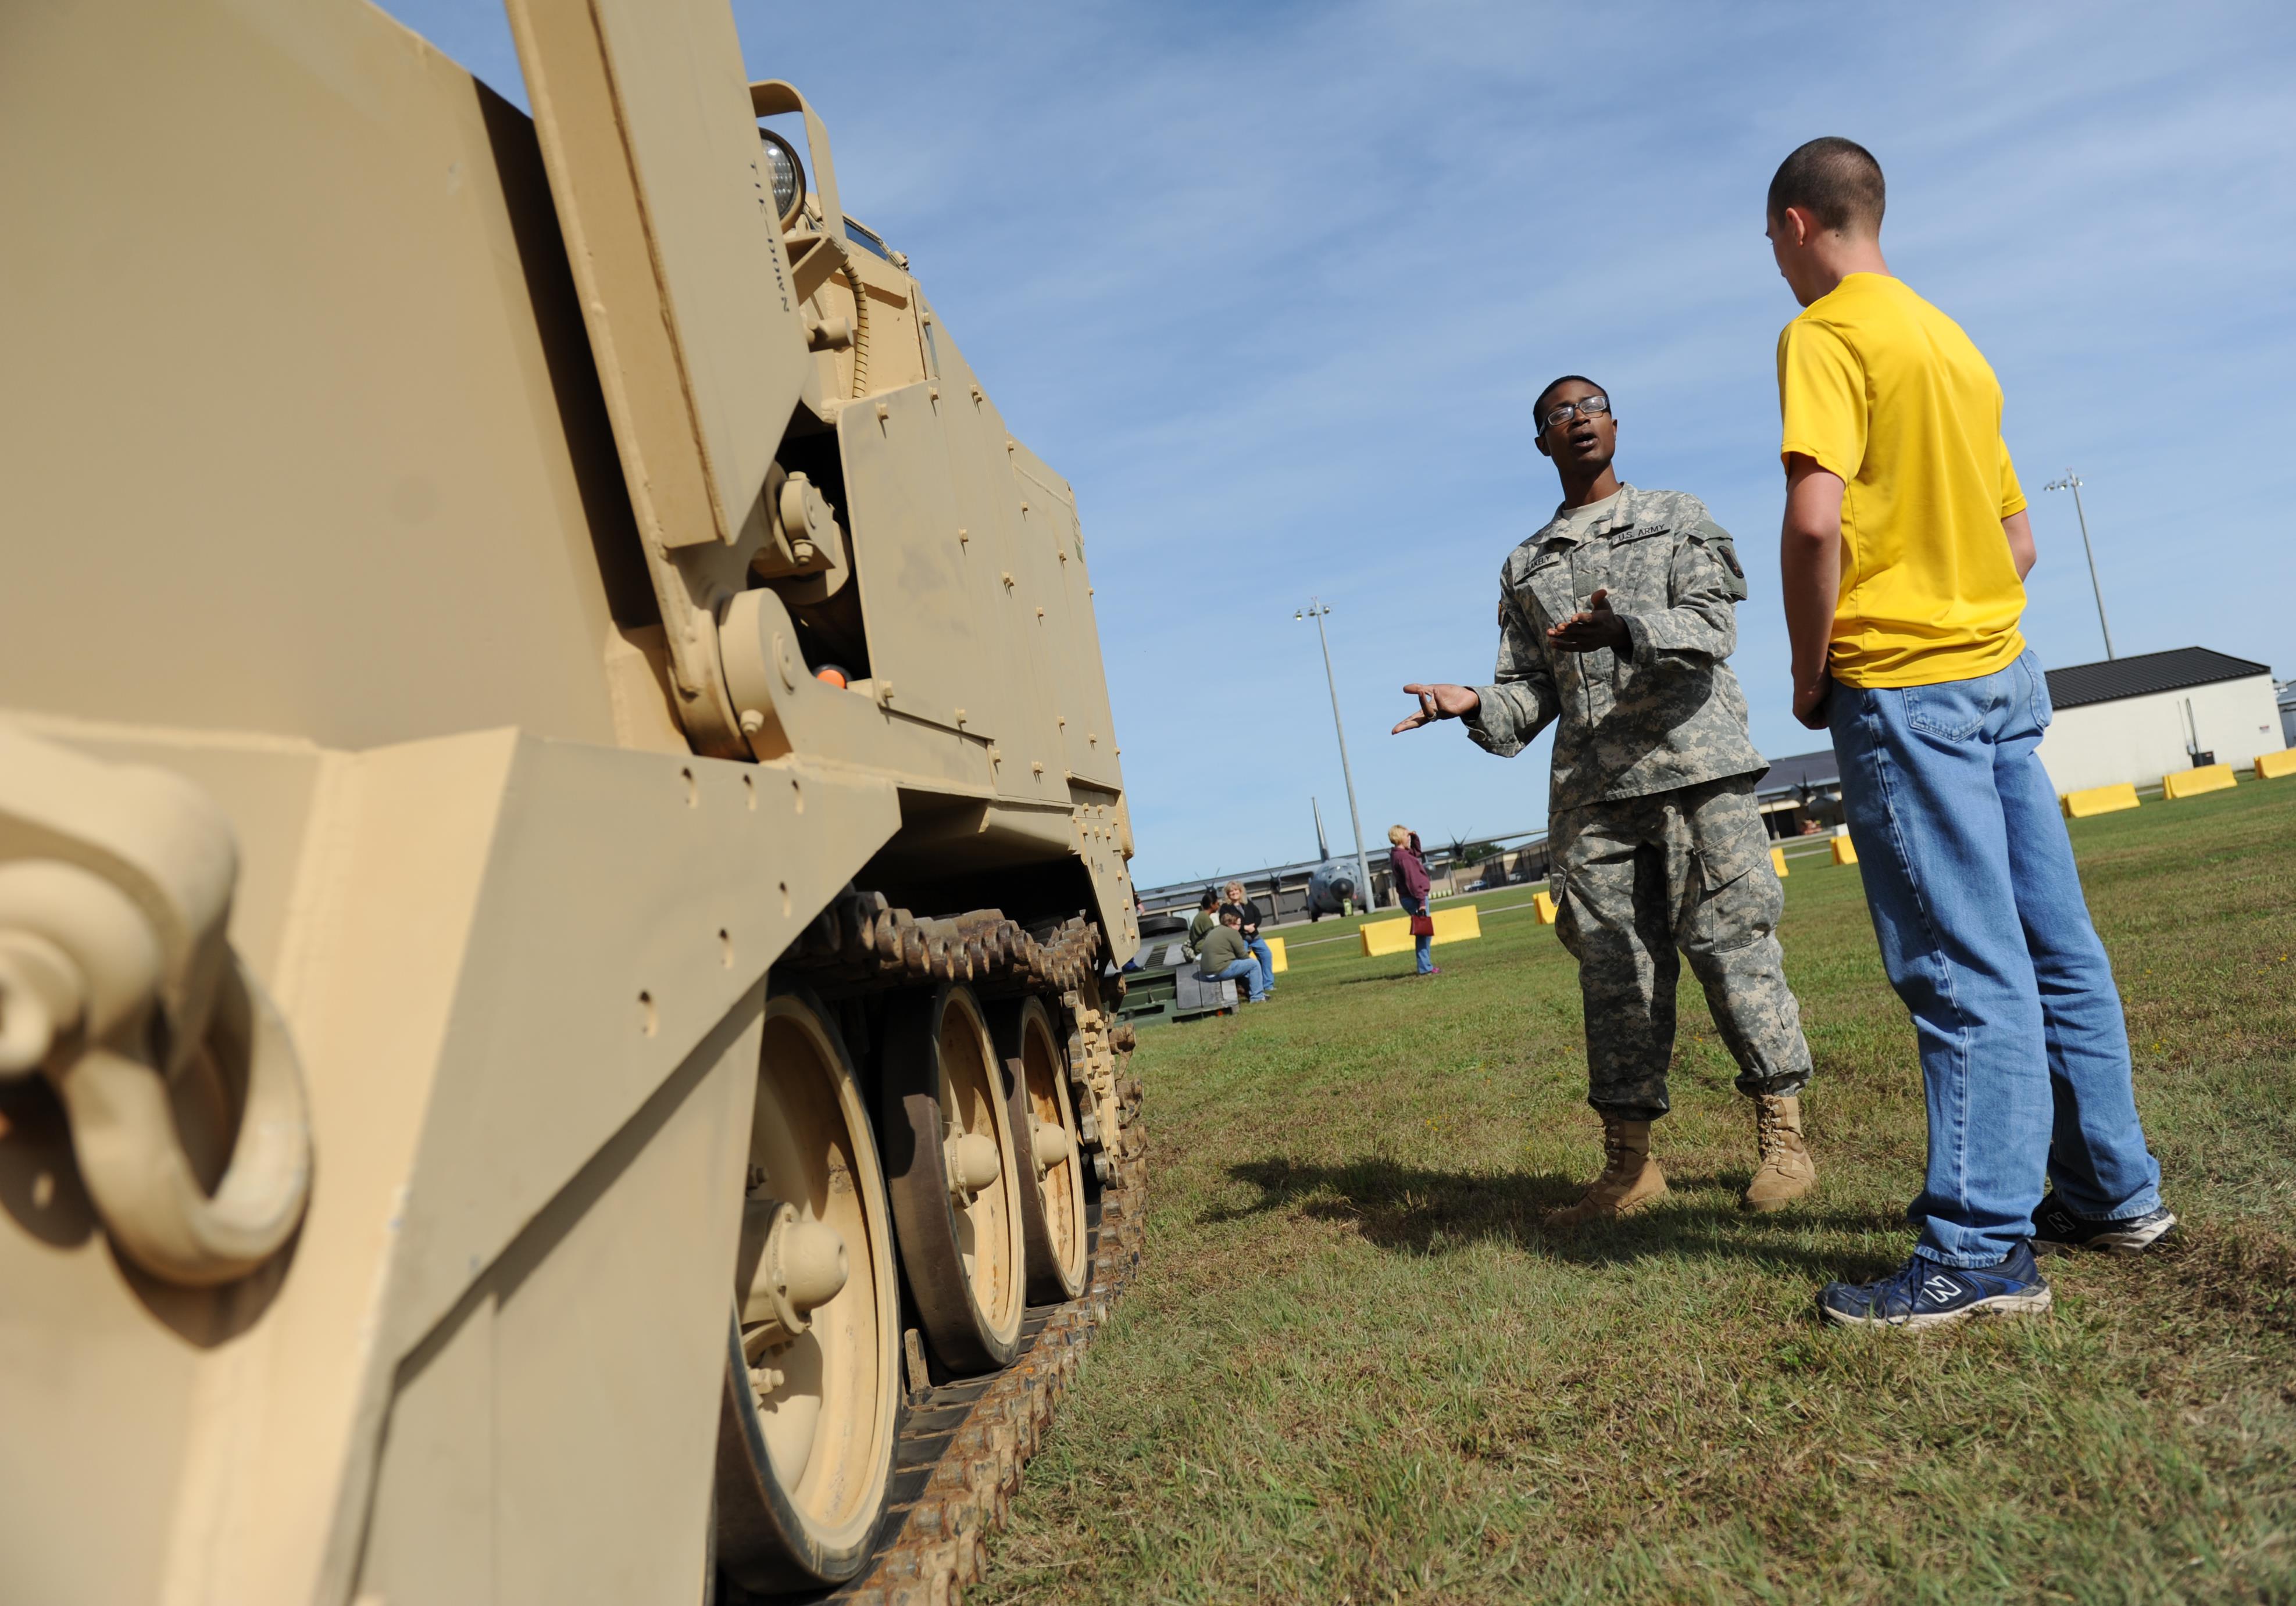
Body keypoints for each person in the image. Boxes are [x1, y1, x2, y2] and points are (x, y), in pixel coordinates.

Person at [1765, 137, 2171, 1329]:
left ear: (1798, 224)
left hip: (1906, 683)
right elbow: (2021, 543)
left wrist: (1810, 666)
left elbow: (1811, 522)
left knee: (1958, 963)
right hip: (1999, 672)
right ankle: (2110, 1191)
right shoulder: (1950, 341)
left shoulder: (1826, 333)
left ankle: (1979, 1250)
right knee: (2055, 946)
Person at [1394, 375, 1818, 1221]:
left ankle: (1783, 1138)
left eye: (1588, 407)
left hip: (1697, 773)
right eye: (1557, 416)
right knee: (1614, 973)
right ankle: (1630, 1166)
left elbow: (1712, 626)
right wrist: (1476, 703)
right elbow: (1528, 693)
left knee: (1732, 947)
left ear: (1614, 424)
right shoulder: (1526, 566)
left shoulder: (1675, 516)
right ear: (1541, 443)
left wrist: (1628, 625)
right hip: (1593, 796)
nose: (1576, 420)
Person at [1386, 826, 1438, 977]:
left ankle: (1426, 966)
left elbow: (1416, 852)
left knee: (1425, 933)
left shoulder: (1400, 854)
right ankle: (1425, 968)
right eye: (1406, 835)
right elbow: (1413, 881)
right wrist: (1422, 901)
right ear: (1399, 838)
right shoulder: (1403, 858)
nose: (1409, 837)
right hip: (1415, 898)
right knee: (1423, 933)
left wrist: (1414, 837)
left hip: (1410, 897)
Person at [1194, 907, 1267, 1004]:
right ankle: (1257, 997)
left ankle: (1252, 992)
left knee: (1243, 967)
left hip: (1207, 973)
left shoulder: (1216, 931)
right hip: (1219, 971)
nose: (1240, 927)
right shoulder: (1233, 933)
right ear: (1232, 924)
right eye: (1239, 924)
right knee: (1254, 964)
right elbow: (1243, 955)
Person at [1221, 881, 1277, 996]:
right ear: (1227, 894)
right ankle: (1250, 986)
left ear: (1241, 891)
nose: (1234, 893)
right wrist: (1243, 927)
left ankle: (1268, 985)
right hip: (1240, 938)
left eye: (1236, 890)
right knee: (1245, 962)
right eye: (1231, 891)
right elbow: (1226, 923)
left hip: (1254, 936)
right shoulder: (1225, 908)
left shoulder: (1248, 903)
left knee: (1266, 955)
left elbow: (1258, 916)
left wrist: (1254, 927)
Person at [1184, 888, 1219, 956]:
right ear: (1212, 905)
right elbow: (1213, 938)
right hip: (1202, 949)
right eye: (1217, 904)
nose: (1219, 906)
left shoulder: (1201, 915)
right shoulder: (1205, 918)